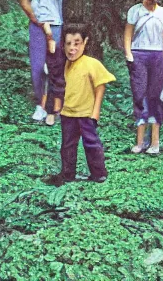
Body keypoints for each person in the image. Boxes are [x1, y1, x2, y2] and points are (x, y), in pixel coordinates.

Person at [45, 24, 116, 186]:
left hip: (86, 114)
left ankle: (99, 174)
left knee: (91, 143)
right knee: (68, 145)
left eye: (77, 43)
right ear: (63, 45)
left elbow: (100, 86)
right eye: (68, 44)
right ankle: (67, 173)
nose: (72, 48)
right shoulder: (64, 64)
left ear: (85, 42)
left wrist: (95, 112)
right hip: (67, 114)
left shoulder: (92, 64)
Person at [16, 0, 67, 125]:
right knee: (38, 68)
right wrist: (37, 21)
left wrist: (59, 29)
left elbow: (61, 5)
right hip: (37, 27)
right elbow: (23, 1)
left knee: (54, 68)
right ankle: (40, 104)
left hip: (56, 27)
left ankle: (54, 107)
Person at [124, 0, 163, 154]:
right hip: (139, 54)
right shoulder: (135, 11)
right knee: (140, 93)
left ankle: (155, 142)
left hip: (157, 55)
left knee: (156, 96)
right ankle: (140, 141)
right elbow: (128, 32)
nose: (146, 0)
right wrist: (129, 54)